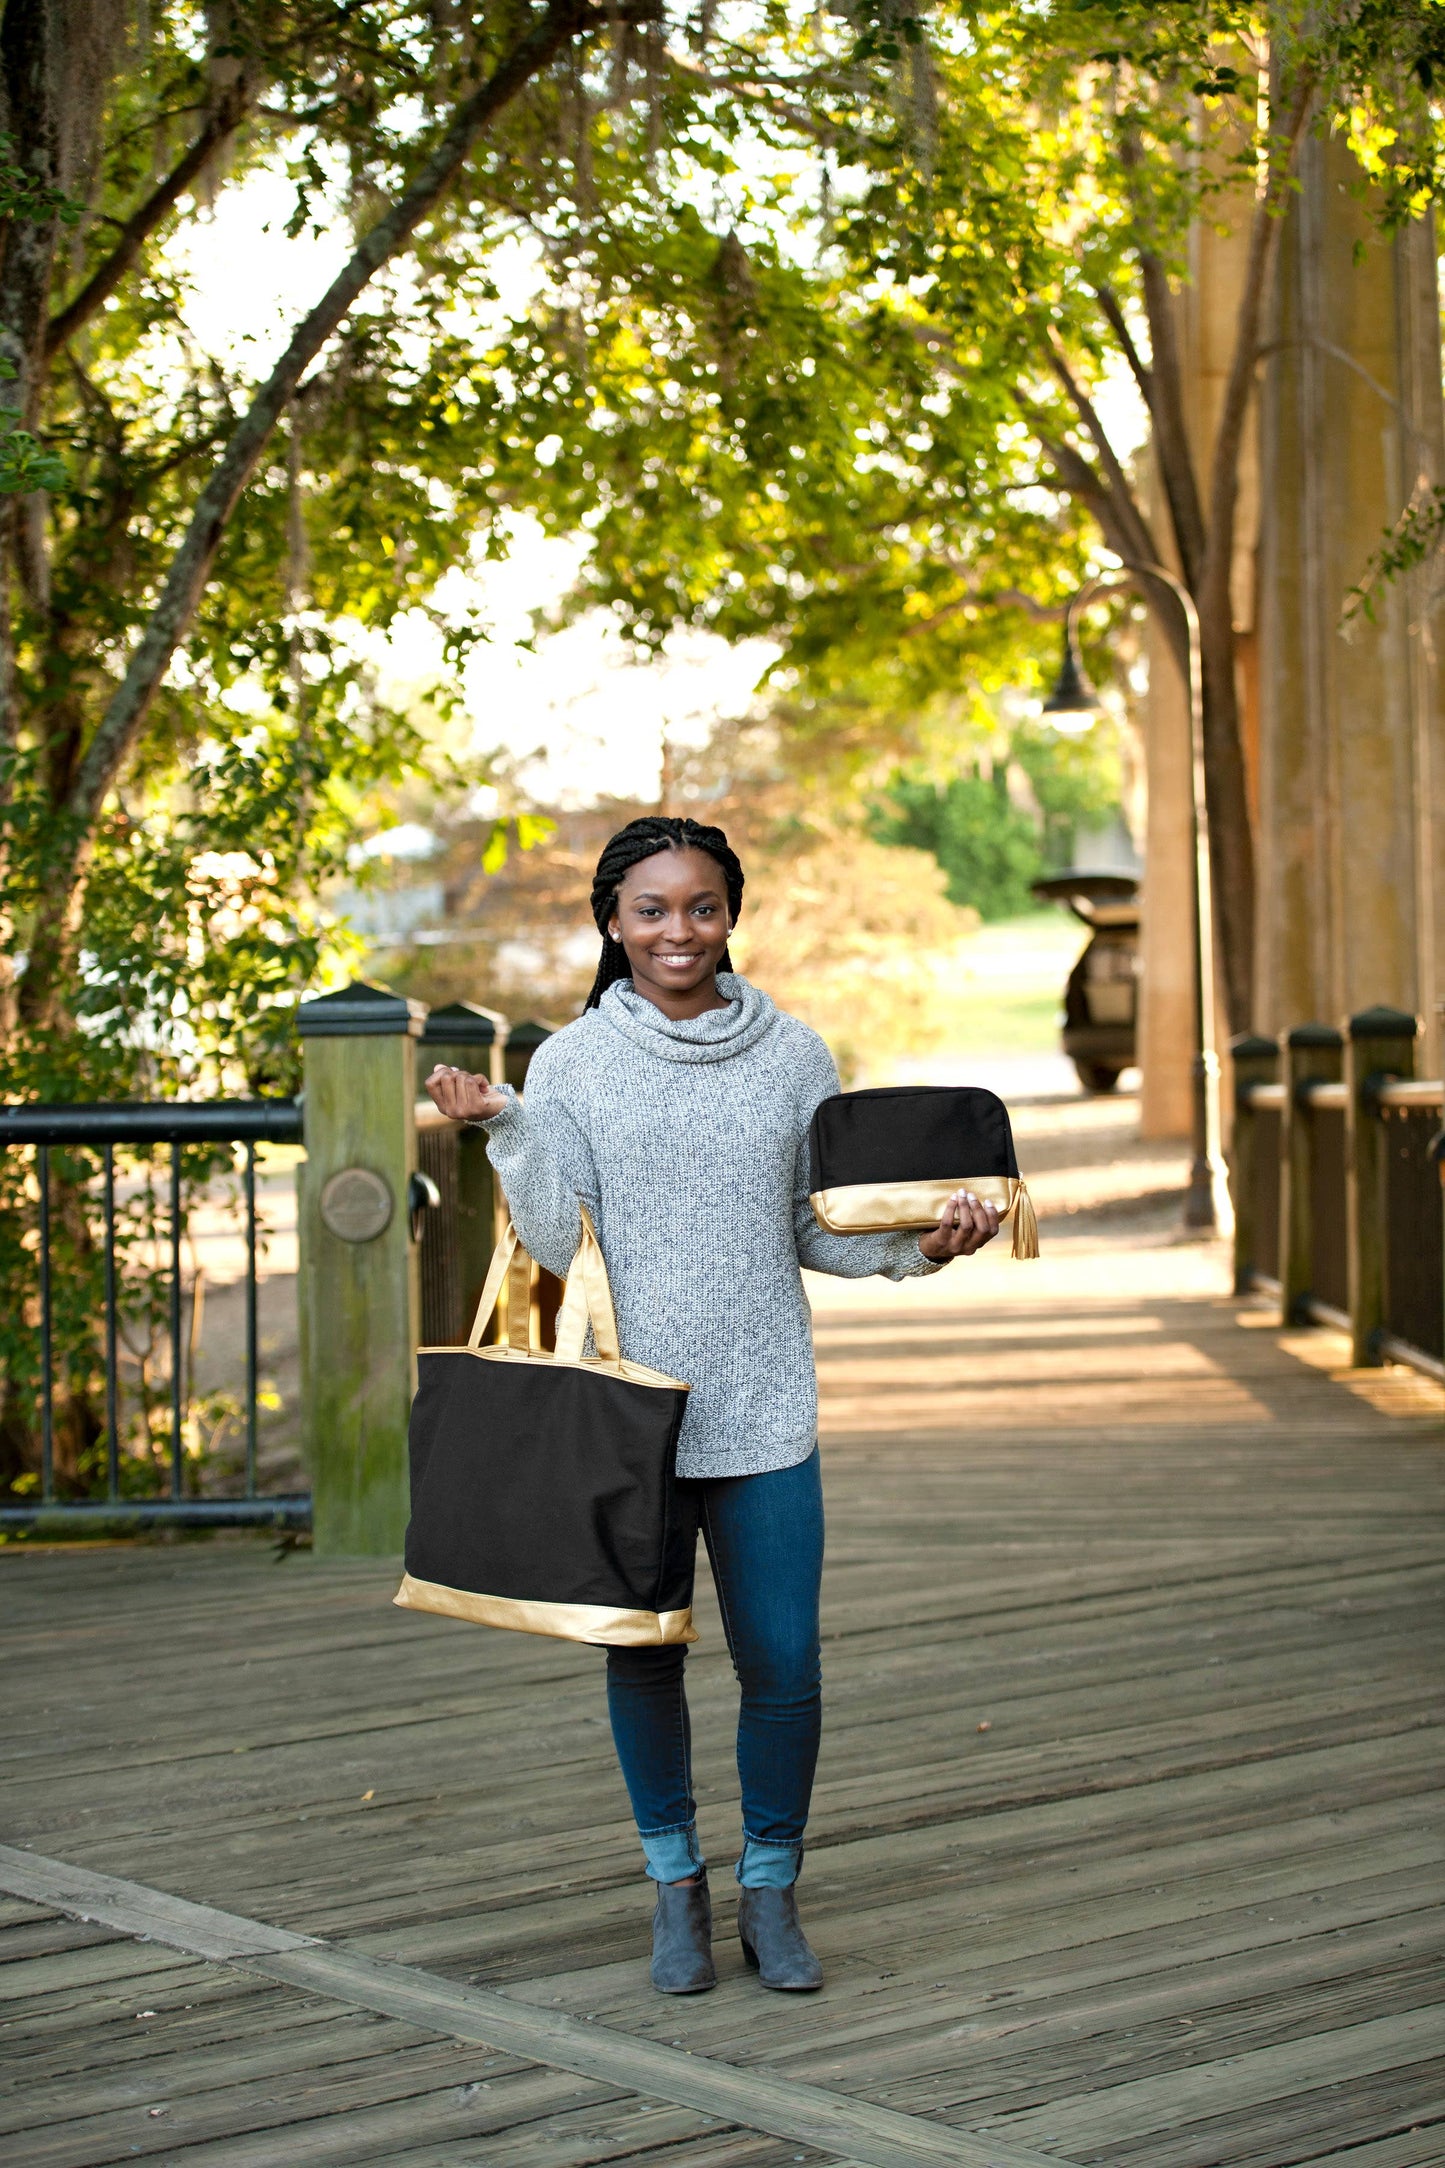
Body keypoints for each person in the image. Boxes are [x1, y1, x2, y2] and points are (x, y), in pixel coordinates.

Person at [424, 815, 998, 1996]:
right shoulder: (572, 1063)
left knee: (782, 1661)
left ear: (730, 913)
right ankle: (675, 1884)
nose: (676, 929)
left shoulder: (794, 1056)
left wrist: (922, 1248)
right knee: (643, 1654)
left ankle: (769, 1888)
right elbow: (554, 1243)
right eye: (650, 909)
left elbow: (810, 1232)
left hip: (762, 1402)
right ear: (612, 920)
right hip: (625, 1413)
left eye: (700, 905)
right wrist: (507, 1128)